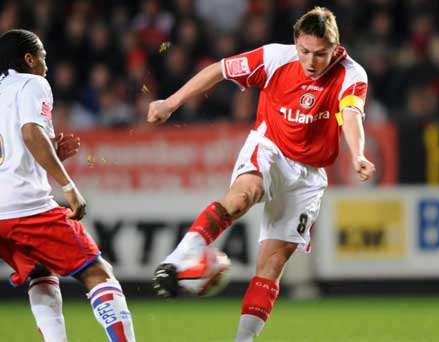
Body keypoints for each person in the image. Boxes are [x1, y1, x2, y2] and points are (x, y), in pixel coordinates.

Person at [148, 7, 375, 341]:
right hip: (270, 148)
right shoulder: (274, 58)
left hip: (309, 176)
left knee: (271, 265)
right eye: (305, 52)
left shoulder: (352, 75)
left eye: (321, 54)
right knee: (243, 196)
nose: (311, 61)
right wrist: (171, 102)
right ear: (296, 41)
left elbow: (351, 113)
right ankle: (178, 259)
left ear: (336, 47)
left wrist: (357, 154)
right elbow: (219, 70)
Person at [0, 29, 136, 342]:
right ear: (29, 58)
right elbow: (31, 133)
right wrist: (68, 185)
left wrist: (48, 153)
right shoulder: (33, 83)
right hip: (25, 206)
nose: (47, 65)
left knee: (40, 271)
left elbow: (15, 148)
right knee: (97, 273)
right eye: (43, 57)